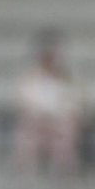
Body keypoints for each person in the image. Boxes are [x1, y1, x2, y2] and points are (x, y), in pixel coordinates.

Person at [12, 30, 83, 176]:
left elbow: (76, 103)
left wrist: (61, 116)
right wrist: (40, 116)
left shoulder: (69, 78)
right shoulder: (29, 77)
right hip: (36, 122)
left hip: (61, 122)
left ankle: (63, 172)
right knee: (26, 134)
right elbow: (22, 102)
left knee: (66, 132)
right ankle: (25, 173)